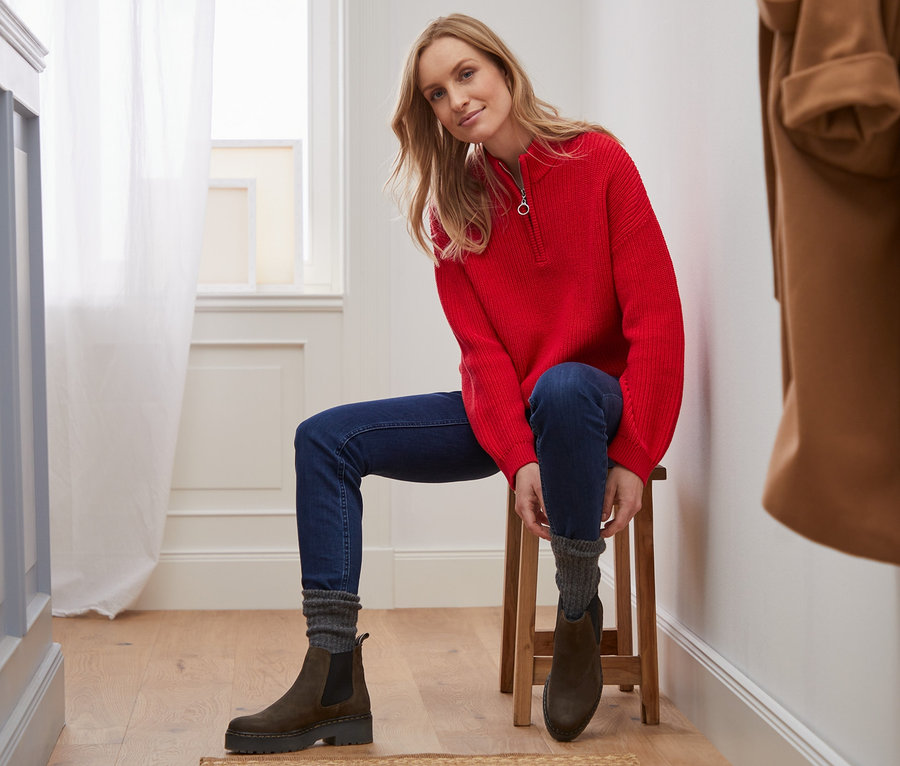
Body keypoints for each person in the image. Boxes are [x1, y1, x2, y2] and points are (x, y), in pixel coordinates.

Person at [225, 13, 683, 754]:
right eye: (437, 94)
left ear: (502, 69)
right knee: (325, 439)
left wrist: (632, 453)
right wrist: (517, 455)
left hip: (588, 405)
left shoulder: (599, 161)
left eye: (466, 75)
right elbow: (482, 357)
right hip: (514, 410)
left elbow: (656, 321)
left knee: (566, 385)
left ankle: (575, 614)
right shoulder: (455, 209)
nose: (457, 100)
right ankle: (333, 676)